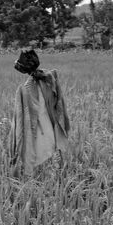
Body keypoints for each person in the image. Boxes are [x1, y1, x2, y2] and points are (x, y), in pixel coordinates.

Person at [9, 49, 70, 178]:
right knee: (53, 151)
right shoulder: (48, 79)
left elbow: (20, 119)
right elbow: (58, 103)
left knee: (38, 153)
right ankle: (55, 180)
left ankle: (44, 181)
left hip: (38, 128)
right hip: (51, 124)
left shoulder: (25, 89)